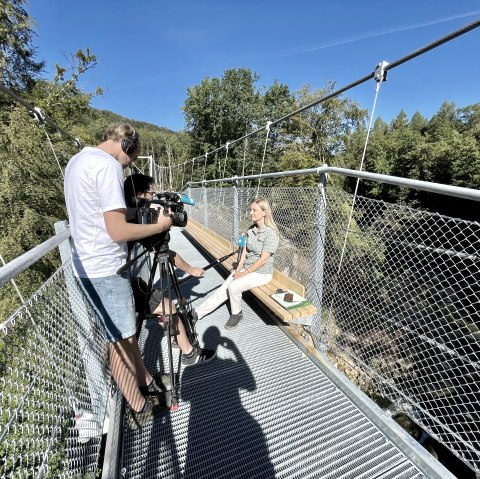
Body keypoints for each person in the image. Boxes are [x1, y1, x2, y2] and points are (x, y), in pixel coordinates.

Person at [64, 123, 178, 429]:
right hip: (106, 268)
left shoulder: (78, 160)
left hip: (87, 264)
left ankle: (146, 378)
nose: (129, 164)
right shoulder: (109, 167)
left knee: (127, 336)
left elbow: (103, 212)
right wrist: (159, 227)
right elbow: (116, 230)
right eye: (133, 158)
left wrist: (140, 206)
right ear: (128, 148)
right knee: (120, 341)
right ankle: (138, 406)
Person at [124, 173, 215, 364]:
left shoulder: (126, 215)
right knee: (168, 306)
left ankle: (177, 338)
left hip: (125, 280)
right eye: (152, 194)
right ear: (140, 195)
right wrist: (161, 225)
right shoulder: (137, 219)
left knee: (165, 306)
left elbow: (162, 250)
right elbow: (162, 251)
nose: (154, 198)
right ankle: (190, 354)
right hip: (122, 284)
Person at [194, 198, 279, 329]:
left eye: (254, 210)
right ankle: (196, 313)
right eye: (251, 209)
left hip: (261, 273)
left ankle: (237, 314)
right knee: (224, 288)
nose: (250, 212)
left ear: (264, 212)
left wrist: (244, 273)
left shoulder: (271, 234)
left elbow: (263, 260)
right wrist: (238, 270)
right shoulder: (250, 230)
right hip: (247, 268)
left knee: (234, 287)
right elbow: (244, 253)